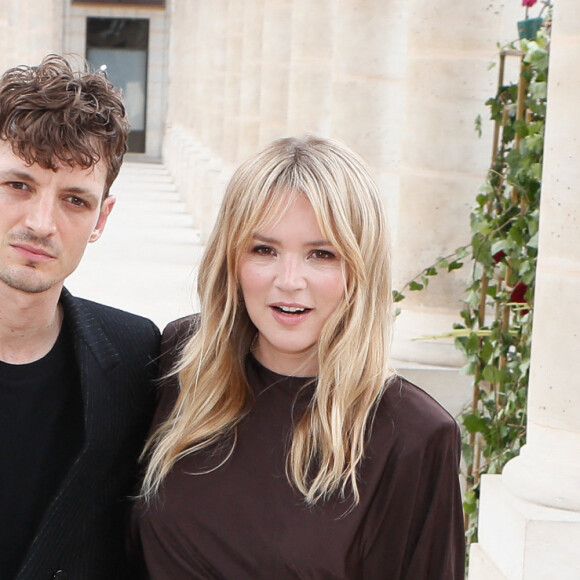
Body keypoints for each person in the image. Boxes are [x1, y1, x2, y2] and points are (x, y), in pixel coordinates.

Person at [131, 135, 465, 579]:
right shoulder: (184, 358)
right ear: (231, 259)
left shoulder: (413, 435)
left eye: (321, 254)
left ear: (360, 269)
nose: (289, 280)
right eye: (264, 249)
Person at [0, 54, 160, 579]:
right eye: (18, 185)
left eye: (74, 199)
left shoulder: (137, 356)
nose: (41, 224)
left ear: (101, 218)